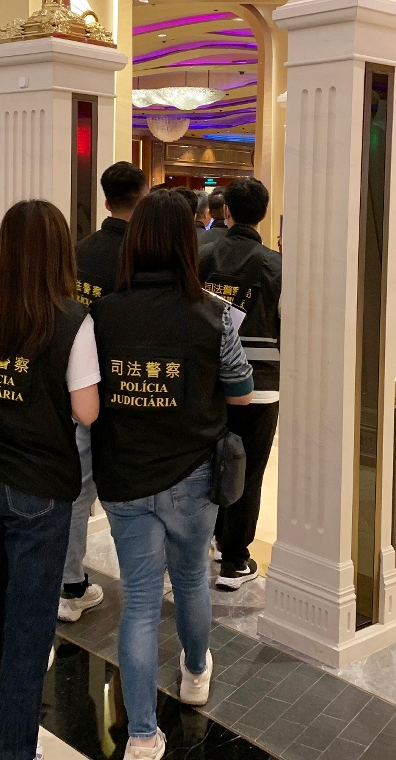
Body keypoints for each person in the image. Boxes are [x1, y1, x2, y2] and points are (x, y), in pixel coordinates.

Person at [91, 189, 253, 760]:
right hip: (193, 474)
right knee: (190, 581)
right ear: (189, 243)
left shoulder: (103, 314)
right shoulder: (212, 313)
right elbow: (242, 388)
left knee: (138, 600)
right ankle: (195, 674)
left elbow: (86, 394)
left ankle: (140, 736)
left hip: (124, 474)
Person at [0, 199, 101, 760]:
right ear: (60, 253)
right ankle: (13, 748)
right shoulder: (71, 319)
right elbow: (86, 411)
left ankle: (15, 709)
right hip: (38, 485)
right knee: (30, 629)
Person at [62, 161, 147, 623]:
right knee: (130, 492)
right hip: (123, 390)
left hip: (76, 386)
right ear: (143, 195)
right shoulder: (138, 256)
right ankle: (141, 586)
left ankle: (70, 582)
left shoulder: (80, 251)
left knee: (77, 490)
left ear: (106, 198)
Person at [199, 178, 281, 590]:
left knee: (210, 460)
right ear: (263, 213)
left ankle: (213, 539)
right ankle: (234, 560)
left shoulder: (204, 256)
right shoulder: (275, 265)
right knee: (249, 469)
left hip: (209, 380)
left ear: (226, 211)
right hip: (261, 384)